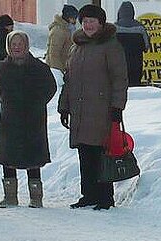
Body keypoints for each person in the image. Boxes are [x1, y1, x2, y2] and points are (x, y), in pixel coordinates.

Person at [58, 4, 127, 210]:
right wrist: (64, 106)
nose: (88, 25)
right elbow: (69, 79)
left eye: (92, 21)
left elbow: (119, 79)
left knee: (101, 153)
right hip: (80, 110)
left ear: (101, 23)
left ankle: (105, 197)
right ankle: (88, 194)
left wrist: (117, 107)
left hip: (102, 110)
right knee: (84, 152)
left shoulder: (110, 45)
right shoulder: (77, 45)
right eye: (85, 21)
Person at [0, 30, 57, 208]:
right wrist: (8, 101)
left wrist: (37, 103)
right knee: (8, 156)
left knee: (33, 158)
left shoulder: (39, 68)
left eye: (20, 44)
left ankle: (36, 197)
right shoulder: (2, 68)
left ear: (26, 46)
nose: (17, 47)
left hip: (33, 119)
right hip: (9, 118)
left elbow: (50, 88)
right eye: (13, 44)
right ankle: (10, 196)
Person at [114, 2, 149, 87]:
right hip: (136, 64)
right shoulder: (140, 28)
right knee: (135, 88)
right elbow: (146, 46)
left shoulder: (114, 28)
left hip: (119, 65)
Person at [46, 3, 77, 71]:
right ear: (67, 17)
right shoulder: (58, 31)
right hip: (58, 68)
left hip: (65, 67)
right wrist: (58, 72)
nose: (75, 20)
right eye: (73, 18)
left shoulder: (68, 28)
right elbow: (54, 54)